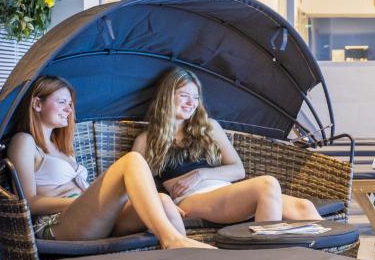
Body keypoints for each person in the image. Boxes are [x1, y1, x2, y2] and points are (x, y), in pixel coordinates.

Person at [6, 76, 212, 249]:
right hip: (57, 223)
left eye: (70, 104)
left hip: (88, 217)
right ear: (37, 104)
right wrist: (81, 202)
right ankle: (171, 240)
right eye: (61, 102)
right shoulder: (24, 141)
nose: (68, 110)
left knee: (163, 201)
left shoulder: (62, 148)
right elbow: (29, 202)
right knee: (132, 160)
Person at [132, 67, 325, 225]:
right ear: (167, 96)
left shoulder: (209, 127)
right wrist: (163, 204)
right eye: (184, 95)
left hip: (225, 191)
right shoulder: (147, 140)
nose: (191, 103)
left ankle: (328, 256)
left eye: (196, 97)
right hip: (190, 200)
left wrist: (200, 174)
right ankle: (265, 255)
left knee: (304, 207)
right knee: (267, 185)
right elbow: (136, 186)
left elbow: (238, 170)